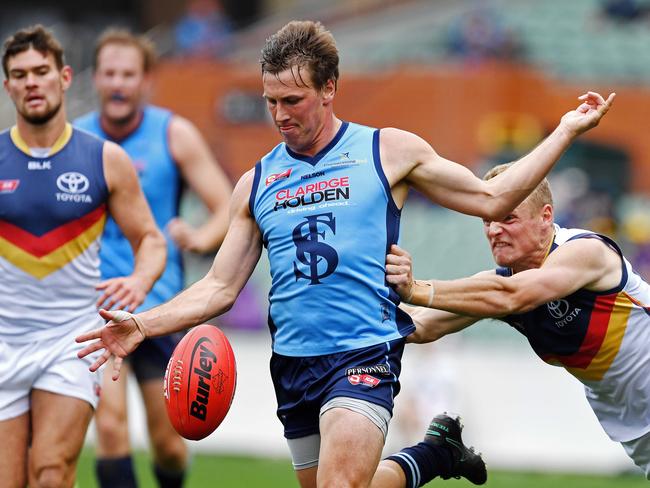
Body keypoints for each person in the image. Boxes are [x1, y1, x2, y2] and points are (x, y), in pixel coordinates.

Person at [76, 20, 614, 488]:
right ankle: (433, 455)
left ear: (329, 88)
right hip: (293, 365)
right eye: (270, 101)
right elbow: (219, 287)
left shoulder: (389, 151)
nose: (280, 115)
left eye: (293, 100)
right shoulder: (257, 181)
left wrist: (563, 132)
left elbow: (493, 196)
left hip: (364, 351)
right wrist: (142, 326)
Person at [385, 162, 650, 479]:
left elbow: (514, 295)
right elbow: (421, 325)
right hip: (636, 428)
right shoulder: (498, 287)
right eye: (487, 220)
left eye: (508, 217)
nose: (494, 230)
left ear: (546, 217)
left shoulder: (584, 251)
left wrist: (416, 288)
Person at [0, 25, 166, 488]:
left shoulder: (104, 159)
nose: (32, 82)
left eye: (41, 71)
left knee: (51, 472)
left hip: (70, 341)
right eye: (20, 74)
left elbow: (151, 239)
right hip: (3, 340)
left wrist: (139, 281)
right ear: (8, 85)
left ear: (65, 77)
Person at [74, 29, 232, 488]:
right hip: (96, 307)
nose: (118, 83)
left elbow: (227, 204)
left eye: (128, 74)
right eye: (109, 73)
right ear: (96, 79)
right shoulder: (77, 140)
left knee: (167, 440)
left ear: (146, 81)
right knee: (109, 427)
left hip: (161, 307)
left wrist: (201, 237)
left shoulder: (173, 133)